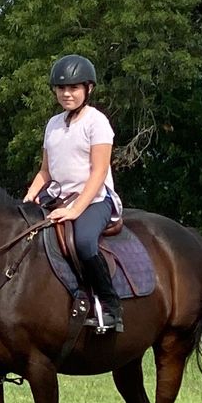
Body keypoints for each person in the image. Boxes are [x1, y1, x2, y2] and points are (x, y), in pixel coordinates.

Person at [23, 54, 124, 332]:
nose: (67, 93)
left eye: (74, 88)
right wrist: (29, 198)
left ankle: (111, 305)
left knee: (84, 242)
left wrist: (75, 210)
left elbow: (99, 173)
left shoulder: (97, 122)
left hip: (94, 200)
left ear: (88, 89)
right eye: (61, 88)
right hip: (56, 196)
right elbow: (45, 171)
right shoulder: (53, 124)